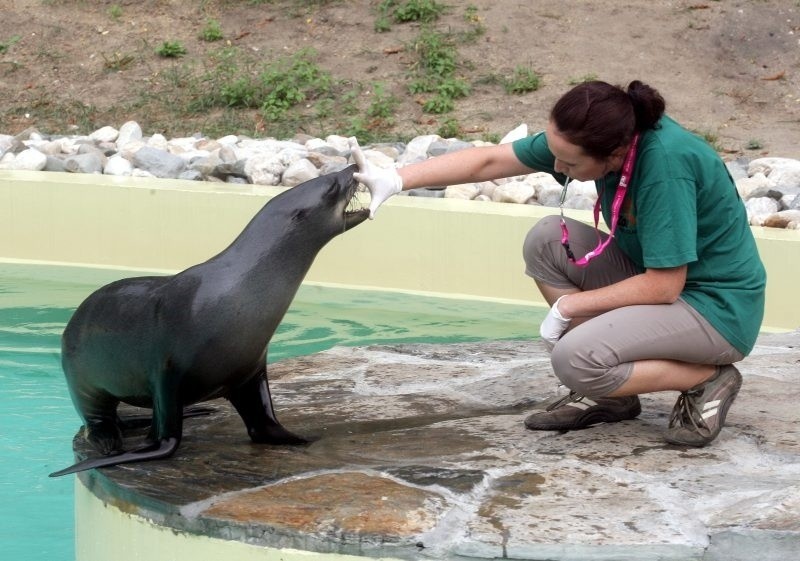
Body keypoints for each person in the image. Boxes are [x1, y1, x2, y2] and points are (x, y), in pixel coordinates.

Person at [350, 80, 766, 447]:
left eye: (568, 164)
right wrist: (397, 178)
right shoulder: (599, 136)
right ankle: (613, 392)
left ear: (616, 152)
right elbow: (490, 161)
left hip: (716, 308)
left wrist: (569, 308)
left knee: (573, 361)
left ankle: (706, 379)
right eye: (555, 157)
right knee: (547, 240)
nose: (558, 168)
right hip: (663, 284)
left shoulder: (665, 167)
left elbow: (663, 287)